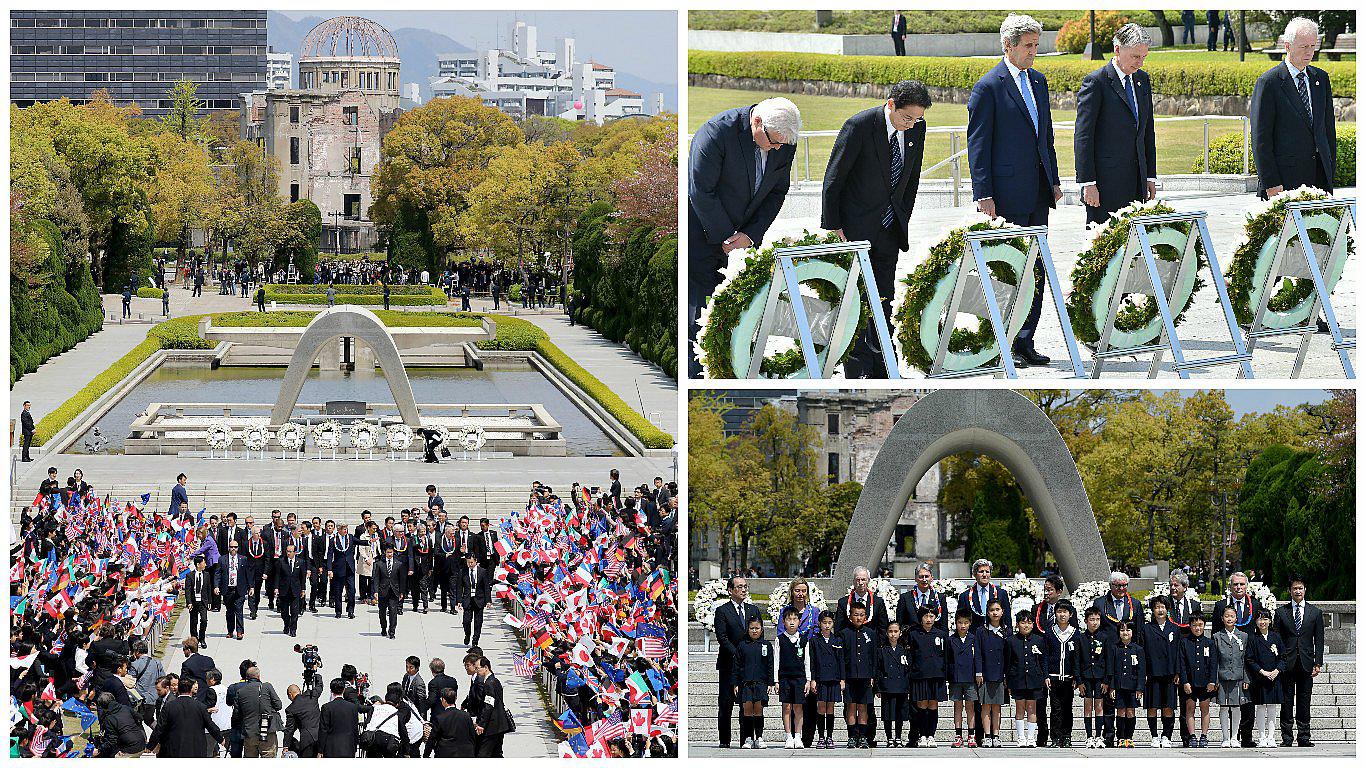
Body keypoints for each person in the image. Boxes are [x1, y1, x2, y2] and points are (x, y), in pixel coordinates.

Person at [967, 13, 1060, 367]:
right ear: (1009, 45)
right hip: (1005, 196)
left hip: (1038, 193)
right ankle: (998, 347)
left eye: (1037, 45)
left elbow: (1045, 136)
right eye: (1029, 46)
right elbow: (978, 145)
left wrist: (1053, 180)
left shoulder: (1039, 81)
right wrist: (983, 193)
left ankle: (1024, 342)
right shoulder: (988, 87)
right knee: (1007, 274)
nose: (1034, 52)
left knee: (1035, 271)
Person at [821, 80, 930, 378]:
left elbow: (911, 178)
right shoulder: (859, 126)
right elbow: (833, 179)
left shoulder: (917, 130)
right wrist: (833, 226)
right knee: (855, 301)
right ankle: (857, 370)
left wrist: (902, 216)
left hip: (889, 229)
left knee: (884, 297)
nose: (912, 125)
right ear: (891, 104)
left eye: (917, 119)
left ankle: (885, 367)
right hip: (854, 229)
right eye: (907, 118)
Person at [687, 97, 800, 376]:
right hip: (703, 236)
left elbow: (776, 192)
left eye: (781, 145)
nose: (777, 149)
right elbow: (701, 191)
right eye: (773, 141)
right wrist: (727, 237)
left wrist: (750, 235)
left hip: (745, 241)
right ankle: (697, 375)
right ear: (757, 122)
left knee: (738, 317)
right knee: (700, 317)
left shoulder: (784, 141)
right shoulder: (716, 133)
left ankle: (732, 372)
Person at [1074, 23, 1157, 225]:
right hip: (1104, 186)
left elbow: (1147, 131)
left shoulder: (1142, 80)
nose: (1140, 63)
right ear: (1118, 49)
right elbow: (1083, 136)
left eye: (1144, 57)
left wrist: (1150, 176)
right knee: (1103, 248)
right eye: (1136, 57)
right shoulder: (1096, 83)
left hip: (1137, 182)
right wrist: (1088, 183)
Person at [1250, 17, 1337, 198]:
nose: (1309, 52)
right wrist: (1271, 183)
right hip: (1284, 182)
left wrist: (1330, 169)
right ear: (1288, 46)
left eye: (1313, 46)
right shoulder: (1269, 83)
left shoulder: (1321, 78)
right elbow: (1261, 140)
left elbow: (1328, 130)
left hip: (1320, 178)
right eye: (1304, 46)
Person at [1091, 571, 1144, 746]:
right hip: (1107, 656)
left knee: (1127, 705)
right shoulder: (1100, 603)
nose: (1121, 589)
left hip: (1129, 657)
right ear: (1110, 586)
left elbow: (1139, 632)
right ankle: (1108, 735)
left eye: (1124, 585)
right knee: (1108, 700)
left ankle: (1126, 737)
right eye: (1117, 585)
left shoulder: (1135, 604)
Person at [1212, 571, 1262, 746]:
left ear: (1246, 586)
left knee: (1247, 700)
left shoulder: (1255, 604)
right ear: (1230, 586)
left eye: (1242, 584)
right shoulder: (1221, 606)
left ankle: (1246, 736)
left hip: (1248, 660)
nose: (1239, 587)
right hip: (1227, 662)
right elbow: (1215, 636)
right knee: (1229, 702)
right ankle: (1231, 736)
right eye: (1235, 584)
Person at [1274, 575, 1323, 746]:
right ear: (1290, 591)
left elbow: (1319, 639)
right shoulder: (1281, 612)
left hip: (1306, 663)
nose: (1298, 591)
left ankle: (1304, 737)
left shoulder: (1315, 612)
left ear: (1305, 590)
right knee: (1286, 702)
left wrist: (1318, 663)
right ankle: (1286, 738)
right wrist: (1278, 663)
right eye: (1294, 588)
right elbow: (1277, 640)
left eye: (1300, 588)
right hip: (1287, 664)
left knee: (1304, 701)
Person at [715, 576, 762, 748]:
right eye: (739, 586)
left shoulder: (753, 610)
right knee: (726, 704)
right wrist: (739, 653)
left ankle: (746, 739)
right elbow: (722, 637)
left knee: (747, 704)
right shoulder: (722, 611)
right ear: (730, 590)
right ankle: (724, 740)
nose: (743, 589)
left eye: (745, 586)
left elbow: (759, 636)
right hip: (729, 664)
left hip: (749, 666)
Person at [1141, 597, 1183, 748]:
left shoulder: (1175, 629)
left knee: (1168, 706)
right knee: (1152, 706)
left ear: (1168, 609)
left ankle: (1166, 735)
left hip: (1170, 673)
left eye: (1163, 607)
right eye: (1157, 607)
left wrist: (1178, 672)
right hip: (1152, 673)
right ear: (1153, 610)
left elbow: (1179, 652)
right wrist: (1143, 672)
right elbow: (1142, 652)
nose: (1160, 610)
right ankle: (1154, 736)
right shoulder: (1146, 629)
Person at [147, 677, 224, 757]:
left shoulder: (169, 707)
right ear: (190, 690)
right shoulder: (200, 707)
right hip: (195, 749)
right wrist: (220, 739)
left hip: (174, 749)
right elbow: (210, 725)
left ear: (178, 690)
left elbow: (159, 728)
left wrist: (150, 745)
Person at [839, 602, 879, 749]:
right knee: (851, 706)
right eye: (856, 614)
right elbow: (841, 658)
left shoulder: (871, 633)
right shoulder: (844, 634)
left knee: (863, 707)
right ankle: (852, 736)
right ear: (850, 616)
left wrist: (873, 676)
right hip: (849, 677)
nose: (859, 617)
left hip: (865, 676)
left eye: (862, 615)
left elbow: (874, 656)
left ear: (866, 617)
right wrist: (842, 678)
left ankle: (863, 736)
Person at [1041, 599, 1079, 747]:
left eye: (1065, 612)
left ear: (1071, 614)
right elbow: (1045, 656)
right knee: (1055, 709)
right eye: (1059, 611)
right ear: (1055, 613)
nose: (1062, 615)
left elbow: (1077, 658)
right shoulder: (1050, 632)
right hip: (1054, 677)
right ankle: (1055, 738)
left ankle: (1067, 736)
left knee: (1067, 708)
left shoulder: (1075, 634)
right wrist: (1046, 675)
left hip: (1069, 678)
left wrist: (1076, 676)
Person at [1246, 608, 1286, 748]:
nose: (1262, 622)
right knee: (1261, 708)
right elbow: (1249, 659)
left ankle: (1271, 737)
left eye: (1265, 619)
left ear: (1270, 621)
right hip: (1260, 678)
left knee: (1272, 708)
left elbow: (1283, 657)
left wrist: (1277, 670)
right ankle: (1262, 737)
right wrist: (1262, 672)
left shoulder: (1276, 637)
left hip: (1275, 678)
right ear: (1255, 621)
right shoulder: (1252, 638)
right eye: (1259, 619)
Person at [733, 616, 774, 749]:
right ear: (747, 629)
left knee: (758, 710)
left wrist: (770, 683)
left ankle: (759, 737)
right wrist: (736, 683)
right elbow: (737, 666)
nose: (754, 631)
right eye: (752, 628)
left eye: (757, 628)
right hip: (745, 683)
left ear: (762, 629)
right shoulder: (742, 645)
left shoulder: (766, 645)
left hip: (761, 683)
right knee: (747, 710)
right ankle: (749, 738)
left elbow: (770, 665)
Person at [908, 607, 947, 747]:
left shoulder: (941, 634)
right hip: (920, 675)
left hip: (936, 675)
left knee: (932, 705)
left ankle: (931, 735)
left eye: (931, 616)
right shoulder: (913, 634)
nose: (929, 619)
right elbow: (910, 655)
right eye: (926, 616)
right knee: (922, 705)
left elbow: (945, 656)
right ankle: (922, 735)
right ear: (921, 618)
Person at [1213, 606, 1250, 748]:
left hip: (1238, 677)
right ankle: (1225, 737)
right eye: (1226, 616)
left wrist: (1246, 678)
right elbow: (1214, 660)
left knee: (1236, 707)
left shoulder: (1243, 636)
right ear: (1222, 619)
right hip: (1222, 677)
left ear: (1236, 618)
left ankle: (1234, 737)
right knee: (1223, 707)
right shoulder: (1217, 636)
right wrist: (1214, 679)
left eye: (1232, 616)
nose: (1229, 618)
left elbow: (1246, 660)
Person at [1005, 610, 1043, 747]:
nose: (1026, 625)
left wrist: (1044, 677)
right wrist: (1008, 681)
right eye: (1023, 622)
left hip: (1034, 679)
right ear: (1017, 625)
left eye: (1029, 622)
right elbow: (1008, 663)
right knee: (1020, 707)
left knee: (1032, 707)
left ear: (1033, 625)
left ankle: (1031, 738)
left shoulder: (1039, 640)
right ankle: (1021, 737)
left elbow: (1042, 660)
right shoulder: (1011, 641)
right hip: (1017, 679)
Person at [807, 609, 844, 749]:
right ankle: (821, 737)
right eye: (824, 622)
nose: (827, 625)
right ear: (819, 623)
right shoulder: (814, 640)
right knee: (821, 707)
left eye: (829, 622)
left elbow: (841, 661)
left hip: (834, 678)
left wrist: (842, 679)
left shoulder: (837, 640)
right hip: (821, 678)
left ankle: (830, 736)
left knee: (831, 708)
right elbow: (812, 661)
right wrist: (813, 679)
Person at [1181, 614, 1218, 748]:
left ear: (1204, 625)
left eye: (1200, 625)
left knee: (1205, 708)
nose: (1197, 628)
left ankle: (1204, 735)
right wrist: (1185, 681)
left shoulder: (1210, 643)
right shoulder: (1184, 642)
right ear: (1190, 626)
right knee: (1190, 708)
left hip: (1205, 682)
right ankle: (1192, 736)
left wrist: (1212, 681)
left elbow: (1214, 664)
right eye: (1194, 625)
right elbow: (1182, 664)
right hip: (1189, 682)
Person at [775, 607, 809, 749]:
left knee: (798, 707)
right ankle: (788, 736)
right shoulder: (780, 639)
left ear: (799, 621)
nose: (792, 622)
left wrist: (808, 679)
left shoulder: (804, 639)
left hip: (800, 678)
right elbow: (776, 660)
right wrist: (776, 680)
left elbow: (807, 660)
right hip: (784, 678)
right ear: (784, 622)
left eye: (795, 619)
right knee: (787, 707)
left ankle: (797, 736)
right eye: (789, 619)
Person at [1076, 606, 1110, 749]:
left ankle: (1099, 736)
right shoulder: (1080, 638)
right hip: (1086, 677)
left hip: (1100, 677)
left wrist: (1107, 681)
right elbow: (1076, 661)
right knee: (1088, 706)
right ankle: (1089, 736)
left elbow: (1108, 660)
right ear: (1086, 621)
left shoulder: (1104, 637)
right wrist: (1079, 681)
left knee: (1099, 706)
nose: (1094, 622)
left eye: (1097, 619)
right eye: (1091, 620)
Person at [232, 664, 283, 758]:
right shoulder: (267, 687)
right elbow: (278, 705)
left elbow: (236, 715)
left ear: (246, 678)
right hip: (267, 731)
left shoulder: (240, 691)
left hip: (249, 733)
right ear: (258, 676)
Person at [1109, 620, 1146, 748]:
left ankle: (1129, 738)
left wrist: (1140, 688)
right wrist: (1112, 686)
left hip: (1133, 686)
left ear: (1132, 632)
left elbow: (1142, 671)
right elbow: (1111, 669)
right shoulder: (1114, 648)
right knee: (1120, 712)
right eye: (1122, 630)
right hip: (1119, 686)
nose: (1125, 633)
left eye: (1128, 630)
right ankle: (1120, 738)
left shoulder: (1138, 649)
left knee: (1130, 712)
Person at [876, 618, 911, 747]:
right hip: (887, 686)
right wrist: (878, 688)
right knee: (887, 713)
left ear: (900, 633)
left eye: (896, 631)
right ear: (886, 633)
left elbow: (908, 669)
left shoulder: (905, 650)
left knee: (899, 713)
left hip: (901, 686)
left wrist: (908, 687)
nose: (893, 634)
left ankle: (898, 737)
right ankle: (889, 737)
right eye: (890, 631)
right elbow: (878, 670)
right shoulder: (882, 650)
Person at [945, 610, 979, 748]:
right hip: (956, 678)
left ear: (970, 623)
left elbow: (977, 658)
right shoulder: (950, 639)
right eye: (960, 622)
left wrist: (978, 673)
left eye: (965, 622)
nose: (963, 625)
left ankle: (971, 736)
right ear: (955, 623)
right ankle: (958, 735)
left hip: (970, 678)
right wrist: (948, 676)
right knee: (957, 706)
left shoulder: (974, 638)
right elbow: (947, 659)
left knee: (970, 707)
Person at [471, 657, 513, 757]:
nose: (476, 671)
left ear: (486, 667)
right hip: (499, 725)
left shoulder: (489, 684)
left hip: (492, 726)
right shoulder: (494, 680)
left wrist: (481, 724)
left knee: (483, 754)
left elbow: (488, 706)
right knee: (496, 754)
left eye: (478, 668)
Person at [835, 566, 888, 636]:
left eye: (863, 579)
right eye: (857, 580)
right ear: (853, 581)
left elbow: (883, 628)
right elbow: (839, 628)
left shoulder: (878, 602)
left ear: (868, 581)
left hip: (871, 643)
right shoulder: (843, 603)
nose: (860, 583)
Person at [425, 686, 476, 756]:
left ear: (444, 700)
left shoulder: (440, 718)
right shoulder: (466, 715)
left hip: (446, 754)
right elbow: (472, 735)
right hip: (465, 753)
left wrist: (426, 755)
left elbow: (432, 739)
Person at [95, 690, 147, 756]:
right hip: (142, 743)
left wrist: (99, 749)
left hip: (129, 749)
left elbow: (112, 741)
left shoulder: (109, 718)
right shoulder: (126, 708)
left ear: (103, 706)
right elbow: (140, 718)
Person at [217, 540, 249, 640]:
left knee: (239, 610)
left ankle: (239, 631)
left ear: (238, 548)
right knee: (229, 611)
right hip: (228, 589)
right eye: (231, 547)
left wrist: (251, 587)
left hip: (239, 589)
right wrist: (216, 586)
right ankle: (230, 631)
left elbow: (247, 573)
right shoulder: (222, 559)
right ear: (228, 548)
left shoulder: (243, 559)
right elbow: (218, 574)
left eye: (235, 547)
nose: (233, 549)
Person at [320, 678, 361, 758]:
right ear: (344, 690)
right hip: (349, 748)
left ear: (331, 690)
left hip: (331, 749)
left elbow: (323, 730)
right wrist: (355, 747)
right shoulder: (352, 707)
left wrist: (320, 750)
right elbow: (355, 729)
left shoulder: (326, 707)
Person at [455, 552, 489, 645]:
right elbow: (459, 587)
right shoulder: (463, 572)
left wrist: (488, 600)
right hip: (467, 600)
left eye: (471, 562)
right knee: (466, 621)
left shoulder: (482, 571)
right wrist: (458, 600)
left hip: (479, 600)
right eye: (468, 562)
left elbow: (486, 587)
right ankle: (467, 634)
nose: (470, 564)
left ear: (475, 561)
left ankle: (475, 640)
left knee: (478, 622)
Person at [274, 542, 306, 637]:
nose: (288, 553)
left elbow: (302, 577)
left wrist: (303, 589)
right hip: (284, 590)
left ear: (295, 552)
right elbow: (277, 575)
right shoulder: (281, 561)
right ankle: (286, 625)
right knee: (284, 612)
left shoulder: (300, 562)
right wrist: (276, 588)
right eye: (287, 551)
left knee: (294, 612)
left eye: (290, 551)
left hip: (295, 590)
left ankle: (293, 629)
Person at [375, 541, 405, 640]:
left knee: (393, 612)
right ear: (384, 552)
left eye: (391, 552)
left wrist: (401, 592)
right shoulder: (379, 564)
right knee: (382, 612)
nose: (389, 554)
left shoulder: (399, 564)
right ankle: (383, 628)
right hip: (382, 591)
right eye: (388, 552)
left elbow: (402, 579)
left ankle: (392, 631)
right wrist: (375, 591)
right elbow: (375, 579)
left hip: (394, 591)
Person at [284, 684, 322, 757]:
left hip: (306, 741)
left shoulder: (291, 708)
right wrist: (316, 675)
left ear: (290, 694)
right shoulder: (312, 697)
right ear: (300, 691)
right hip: (320, 737)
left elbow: (290, 729)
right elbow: (320, 686)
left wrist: (286, 746)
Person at [330, 524, 357, 619]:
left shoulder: (350, 537)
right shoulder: (333, 540)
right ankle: (338, 611)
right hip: (338, 569)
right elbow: (330, 555)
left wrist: (369, 541)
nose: (346, 531)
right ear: (339, 530)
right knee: (338, 591)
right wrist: (329, 569)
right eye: (344, 529)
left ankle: (350, 610)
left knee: (352, 591)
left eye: (346, 529)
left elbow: (360, 541)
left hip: (349, 568)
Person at [185, 557, 213, 648]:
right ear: (198, 564)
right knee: (194, 621)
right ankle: (194, 639)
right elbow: (188, 590)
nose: (205, 565)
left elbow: (208, 588)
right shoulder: (190, 576)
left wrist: (209, 601)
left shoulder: (207, 575)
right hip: (193, 602)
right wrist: (189, 602)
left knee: (204, 620)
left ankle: (202, 638)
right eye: (204, 563)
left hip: (203, 602)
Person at [179, 637, 215, 707]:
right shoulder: (209, 660)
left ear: (189, 650)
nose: (183, 652)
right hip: (211, 695)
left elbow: (183, 683)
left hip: (197, 697)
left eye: (184, 649)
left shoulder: (187, 664)